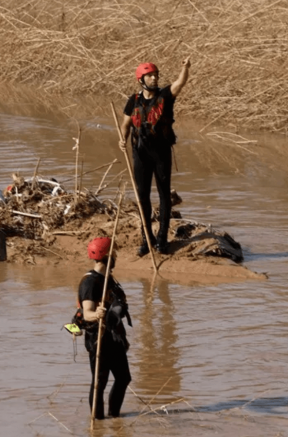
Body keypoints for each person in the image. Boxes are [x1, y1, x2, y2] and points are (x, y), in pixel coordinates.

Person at [119, 58, 191, 256]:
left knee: (164, 196)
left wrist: (185, 68)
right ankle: (147, 239)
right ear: (141, 79)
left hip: (161, 153)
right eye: (150, 76)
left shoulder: (165, 96)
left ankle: (162, 240)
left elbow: (180, 83)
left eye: (156, 75)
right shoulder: (133, 101)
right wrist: (122, 140)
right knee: (142, 197)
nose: (154, 78)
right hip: (140, 154)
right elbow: (125, 125)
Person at [78, 237, 132, 419]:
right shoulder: (90, 283)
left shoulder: (108, 278)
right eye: (114, 252)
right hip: (99, 339)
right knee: (99, 382)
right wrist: (97, 314)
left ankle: (114, 417)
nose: (116, 255)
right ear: (107, 255)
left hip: (114, 337)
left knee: (124, 378)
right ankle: (98, 422)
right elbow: (87, 313)